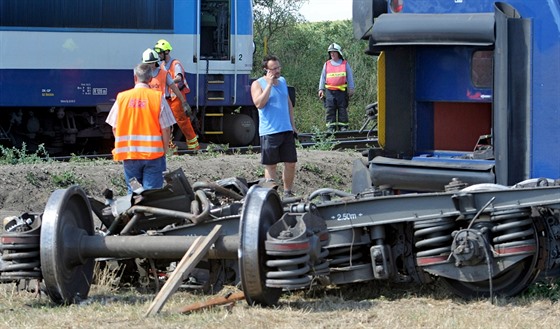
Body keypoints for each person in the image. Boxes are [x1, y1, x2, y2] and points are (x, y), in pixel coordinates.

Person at [105, 63, 176, 193]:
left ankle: (135, 212)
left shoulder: (122, 98)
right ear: (150, 79)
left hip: (130, 154)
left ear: (135, 78)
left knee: (134, 195)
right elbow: (166, 129)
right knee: (152, 195)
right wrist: (164, 150)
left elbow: (115, 127)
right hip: (153, 155)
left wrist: (125, 144)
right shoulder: (157, 97)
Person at [250, 55, 298, 197]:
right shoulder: (257, 84)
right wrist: (269, 85)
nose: (278, 70)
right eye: (274, 68)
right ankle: (271, 195)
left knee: (291, 163)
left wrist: (293, 124)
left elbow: (288, 103)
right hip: (269, 131)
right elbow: (259, 104)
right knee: (271, 165)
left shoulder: (282, 81)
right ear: (266, 69)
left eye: (278, 67)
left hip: (286, 129)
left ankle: (288, 192)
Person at [141, 48, 199, 151]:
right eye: (147, 63)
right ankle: (167, 147)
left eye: (151, 63)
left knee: (178, 122)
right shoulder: (144, 74)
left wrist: (183, 102)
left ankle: (192, 146)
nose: (149, 65)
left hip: (168, 101)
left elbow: (175, 86)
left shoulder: (169, 68)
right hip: (154, 105)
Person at [317, 43, 355, 132]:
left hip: (342, 92)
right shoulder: (327, 64)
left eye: (334, 52)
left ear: (339, 53)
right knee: (330, 110)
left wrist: (351, 88)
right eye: (330, 52)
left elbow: (350, 77)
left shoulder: (345, 64)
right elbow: (322, 77)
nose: (332, 54)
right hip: (330, 92)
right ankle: (331, 128)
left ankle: (343, 127)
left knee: (342, 110)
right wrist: (321, 89)